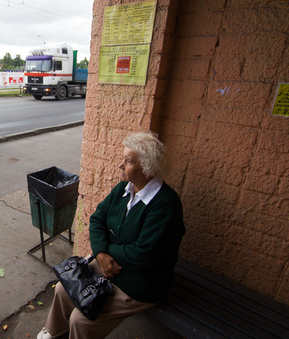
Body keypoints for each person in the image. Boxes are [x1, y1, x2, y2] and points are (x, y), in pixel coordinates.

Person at [38, 131, 185, 339]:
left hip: (141, 280)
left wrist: (106, 252)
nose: (120, 165)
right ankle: (54, 331)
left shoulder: (166, 205)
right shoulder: (123, 189)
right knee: (63, 288)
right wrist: (100, 253)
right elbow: (98, 219)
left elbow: (145, 253)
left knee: (81, 320)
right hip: (108, 263)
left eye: (128, 161)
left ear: (148, 169)